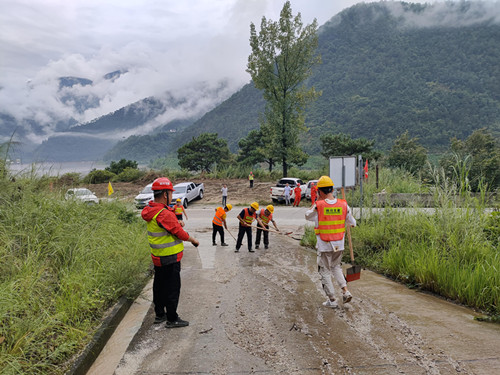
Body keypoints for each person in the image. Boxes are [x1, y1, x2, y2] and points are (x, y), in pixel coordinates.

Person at [141, 177, 199, 328]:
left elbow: (167, 224)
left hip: (158, 256)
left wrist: (176, 221)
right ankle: (172, 319)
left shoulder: (151, 209)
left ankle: (160, 314)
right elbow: (179, 233)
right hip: (170, 257)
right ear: (165, 194)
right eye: (171, 193)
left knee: (159, 285)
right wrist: (193, 240)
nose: (172, 196)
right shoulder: (163, 213)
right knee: (172, 287)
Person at [305, 175, 356, 308]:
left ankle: (332, 300)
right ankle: (345, 291)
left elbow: (307, 215)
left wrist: (316, 201)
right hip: (339, 244)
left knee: (325, 271)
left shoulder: (319, 205)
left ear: (320, 191)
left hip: (325, 245)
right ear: (332, 190)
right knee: (336, 267)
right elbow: (353, 223)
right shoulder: (344, 204)